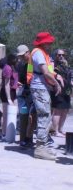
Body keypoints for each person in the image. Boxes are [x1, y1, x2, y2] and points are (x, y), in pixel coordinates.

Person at [27, 32, 61, 160]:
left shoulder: (41, 53)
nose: (51, 44)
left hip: (41, 87)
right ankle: (40, 148)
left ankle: (44, 146)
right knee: (44, 115)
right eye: (49, 42)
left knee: (46, 115)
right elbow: (45, 72)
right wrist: (56, 84)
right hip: (39, 88)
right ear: (43, 43)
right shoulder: (38, 53)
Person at [16, 44, 36, 148]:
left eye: (23, 55)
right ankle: (23, 140)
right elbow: (19, 80)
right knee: (24, 118)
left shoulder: (33, 64)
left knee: (31, 118)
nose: (22, 58)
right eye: (20, 56)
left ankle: (28, 139)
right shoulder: (22, 66)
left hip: (31, 95)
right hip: (24, 96)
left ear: (28, 52)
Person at [51, 49, 71, 137]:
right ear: (55, 55)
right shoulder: (52, 64)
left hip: (66, 90)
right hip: (57, 89)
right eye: (59, 55)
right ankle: (55, 131)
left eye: (63, 55)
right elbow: (50, 74)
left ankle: (60, 129)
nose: (61, 56)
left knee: (65, 110)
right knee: (58, 110)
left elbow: (69, 75)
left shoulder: (66, 64)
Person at [0, 53, 18, 140]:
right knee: (5, 114)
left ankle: (10, 132)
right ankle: (3, 133)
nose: (17, 61)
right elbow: (6, 85)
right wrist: (9, 98)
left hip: (13, 92)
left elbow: (13, 80)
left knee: (14, 113)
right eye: (16, 60)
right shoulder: (7, 68)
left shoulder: (13, 67)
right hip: (6, 93)